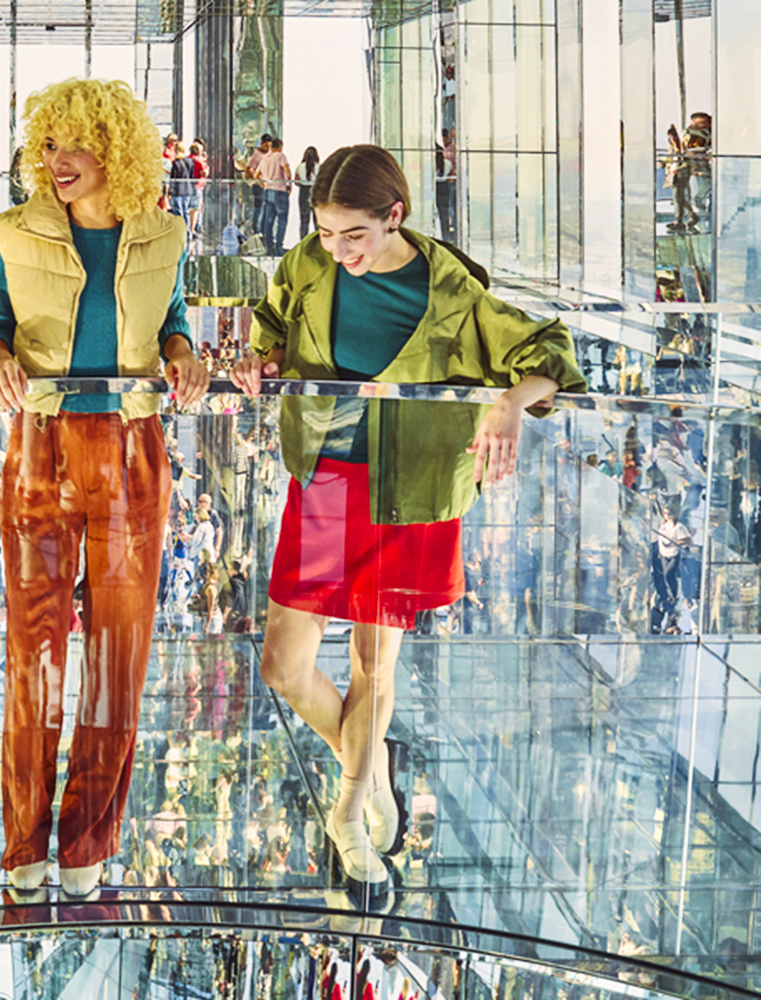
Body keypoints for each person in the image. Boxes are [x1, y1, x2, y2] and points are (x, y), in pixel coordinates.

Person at [230, 144, 584, 903]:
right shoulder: (309, 266)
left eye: (353, 233)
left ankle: (350, 810)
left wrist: (507, 402)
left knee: (374, 666)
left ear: (396, 215)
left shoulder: (452, 293)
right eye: (326, 232)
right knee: (283, 667)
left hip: (410, 489)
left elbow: (552, 350)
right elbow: (273, 319)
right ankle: (369, 766)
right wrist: (263, 357)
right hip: (327, 476)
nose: (338, 250)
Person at [0, 77, 208, 898]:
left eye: (74, 145)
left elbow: (173, 317)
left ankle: (88, 843)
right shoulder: (12, 229)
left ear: (116, 150)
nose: (56, 161)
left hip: (133, 449)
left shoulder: (165, 234)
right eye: (48, 145)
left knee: (116, 658)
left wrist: (183, 353)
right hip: (40, 444)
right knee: (31, 655)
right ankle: (24, 843)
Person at [259, 138, 292, 255]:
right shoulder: (280, 156)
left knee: (269, 220)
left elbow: (256, 174)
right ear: (280, 147)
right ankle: (279, 246)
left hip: (268, 190)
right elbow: (286, 170)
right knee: (282, 220)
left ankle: (269, 247)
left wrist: (262, 184)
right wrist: (289, 184)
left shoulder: (264, 159)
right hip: (279, 190)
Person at [295, 146, 320, 240]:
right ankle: (318, 243)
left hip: (303, 192)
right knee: (317, 221)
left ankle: (303, 242)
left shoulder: (300, 167)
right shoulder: (319, 167)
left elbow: (296, 181)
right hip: (315, 192)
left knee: (304, 221)